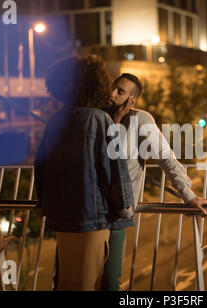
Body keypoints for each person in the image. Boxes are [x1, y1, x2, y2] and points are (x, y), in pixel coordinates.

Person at [101, 73, 207, 291]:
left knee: (109, 283)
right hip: (88, 210)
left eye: (120, 91)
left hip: (115, 212)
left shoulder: (141, 119)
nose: (112, 94)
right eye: (113, 88)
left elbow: (166, 158)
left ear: (132, 100)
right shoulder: (96, 117)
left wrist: (188, 195)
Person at [34, 56, 134, 291]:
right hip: (93, 218)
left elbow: (42, 167)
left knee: (67, 281)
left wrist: (44, 204)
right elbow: (114, 168)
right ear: (96, 85)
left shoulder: (56, 120)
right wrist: (122, 206)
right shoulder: (100, 119)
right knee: (90, 280)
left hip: (62, 217)